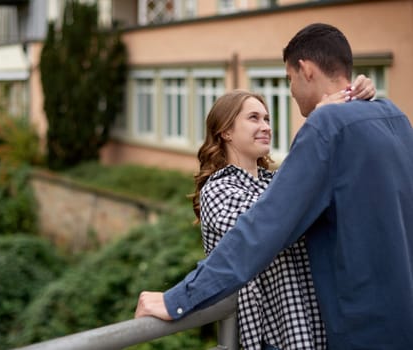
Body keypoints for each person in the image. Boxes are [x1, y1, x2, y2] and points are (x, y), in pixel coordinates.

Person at [135, 23, 413, 349]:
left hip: (359, 330)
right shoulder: (395, 117)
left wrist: (177, 299)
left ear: (306, 70)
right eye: (254, 118)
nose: (290, 91)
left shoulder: (325, 126)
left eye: (288, 79)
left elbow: (263, 228)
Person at [189, 77, 375, 350]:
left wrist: (354, 98)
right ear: (225, 132)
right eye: (254, 118)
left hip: (315, 326)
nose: (266, 126)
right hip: (272, 334)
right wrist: (315, 127)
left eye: (267, 119)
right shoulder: (217, 190)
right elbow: (274, 223)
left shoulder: (273, 182)